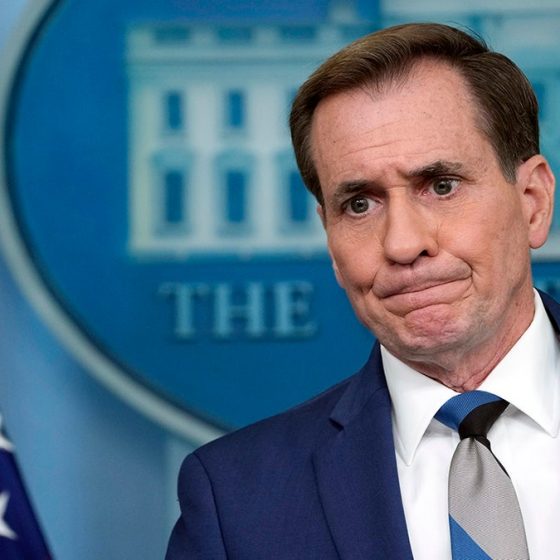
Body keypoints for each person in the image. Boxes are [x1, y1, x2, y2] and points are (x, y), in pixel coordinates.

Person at [166, 22, 558, 559]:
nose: (403, 243)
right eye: (359, 205)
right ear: (329, 238)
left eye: (441, 186)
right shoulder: (235, 503)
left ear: (533, 201)